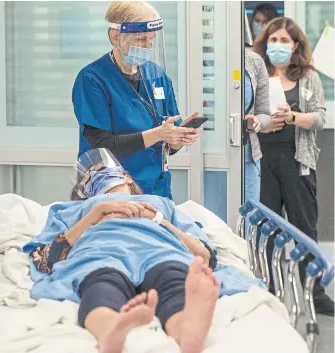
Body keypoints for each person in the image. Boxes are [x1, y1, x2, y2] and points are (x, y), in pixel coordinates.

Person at [24, 149, 263, 353]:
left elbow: (204, 255)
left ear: (127, 179)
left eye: (100, 172)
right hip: (101, 252)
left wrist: (157, 218)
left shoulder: (161, 204)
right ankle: (111, 331)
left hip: (159, 249)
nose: (93, 179)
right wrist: (95, 215)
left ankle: (187, 330)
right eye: (87, 179)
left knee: (172, 281)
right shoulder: (75, 210)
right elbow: (45, 258)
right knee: (101, 285)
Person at [72, 1, 201, 200]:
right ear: (115, 36)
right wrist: (159, 133)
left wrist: (179, 138)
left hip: (156, 189)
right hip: (114, 190)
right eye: (141, 39)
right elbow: (102, 144)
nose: (148, 47)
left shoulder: (157, 75)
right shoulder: (92, 79)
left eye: (151, 39)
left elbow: (168, 142)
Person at [254, 17, 334, 316]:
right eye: (273, 40)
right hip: (264, 161)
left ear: (295, 45)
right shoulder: (257, 75)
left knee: (304, 227)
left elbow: (320, 118)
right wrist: (263, 122)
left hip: (298, 160)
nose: (278, 46)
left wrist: (292, 118)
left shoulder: (308, 77)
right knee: (269, 229)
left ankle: (315, 293)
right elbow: (248, 116)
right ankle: (271, 292)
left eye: (284, 41)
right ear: (265, 44)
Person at [244, 50, 271, 228]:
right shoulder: (202, 53)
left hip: (247, 155)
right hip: (207, 154)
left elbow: (265, 114)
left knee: (247, 222)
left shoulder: (254, 61)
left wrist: (257, 121)